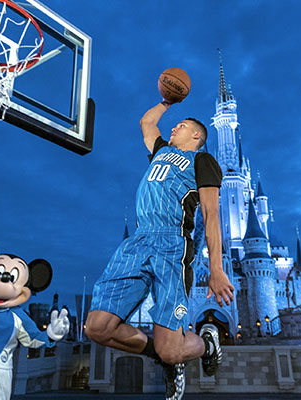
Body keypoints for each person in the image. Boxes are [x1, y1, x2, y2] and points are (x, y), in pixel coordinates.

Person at [85, 100, 235, 400]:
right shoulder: (161, 152)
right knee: (97, 328)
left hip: (171, 246)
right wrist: (168, 100)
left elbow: (211, 214)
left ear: (196, 136)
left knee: (172, 348)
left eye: (181, 126)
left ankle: (206, 343)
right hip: (138, 242)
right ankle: (167, 359)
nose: (174, 127)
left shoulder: (203, 161)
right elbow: (146, 123)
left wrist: (216, 269)